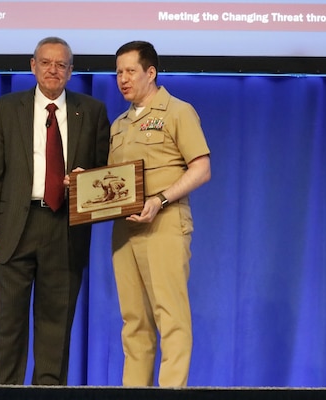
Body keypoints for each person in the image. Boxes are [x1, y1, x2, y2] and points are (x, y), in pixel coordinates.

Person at [0, 36, 110, 385]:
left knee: (56, 325)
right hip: (14, 226)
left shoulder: (92, 111)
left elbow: (106, 170)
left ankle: (49, 392)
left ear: (70, 71)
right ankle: (2, 391)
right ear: (32, 66)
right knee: (9, 323)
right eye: (46, 63)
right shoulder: (4, 109)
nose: (53, 70)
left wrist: (88, 179)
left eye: (61, 64)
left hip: (66, 227)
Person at [109, 40, 211, 387]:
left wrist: (161, 200)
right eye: (118, 72)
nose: (123, 79)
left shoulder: (178, 111)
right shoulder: (118, 124)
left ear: (150, 73)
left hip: (165, 224)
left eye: (130, 71)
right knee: (134, 322)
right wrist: (84, 186)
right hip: (125, 232)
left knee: (171, 318)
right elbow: (111, 183)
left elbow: (201, 168)